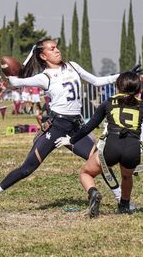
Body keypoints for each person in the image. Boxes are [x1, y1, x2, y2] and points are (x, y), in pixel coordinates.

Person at [0, 38, 121, 213]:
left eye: (57, 47)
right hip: (56, 128)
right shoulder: (44, 77)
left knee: (101, 161)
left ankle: (121, 202)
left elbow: (96, 81)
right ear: (43, 55)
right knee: (27, 168)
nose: (57, 50)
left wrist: (123, 76)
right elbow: (16, 83)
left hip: (76, 127)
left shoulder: (72, 66)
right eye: (52, 49)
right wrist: (10, 71)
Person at [55, 71, 142, 217]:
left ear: (118, 86)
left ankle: (93, 193)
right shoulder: (141, 105)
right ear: (138, 89)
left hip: (112, 146)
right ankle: (124, 205)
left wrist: (71, 140)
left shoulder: (107, 103)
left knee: (86, 173)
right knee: (127, 177)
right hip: (132, 148)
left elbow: (89, 126)